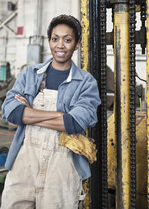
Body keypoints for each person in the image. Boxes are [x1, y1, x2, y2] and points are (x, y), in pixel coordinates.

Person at [1, 14, 101, 209]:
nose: (60, 45)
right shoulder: (30, 74)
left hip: (63, 166)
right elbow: (10, 111)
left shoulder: (86, 82)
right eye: (55, 39)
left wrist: (28, 113)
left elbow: (76, 123)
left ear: (77, 44)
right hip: (24, 162)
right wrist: (60, 116)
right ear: (49, 42)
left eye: (67, 39)